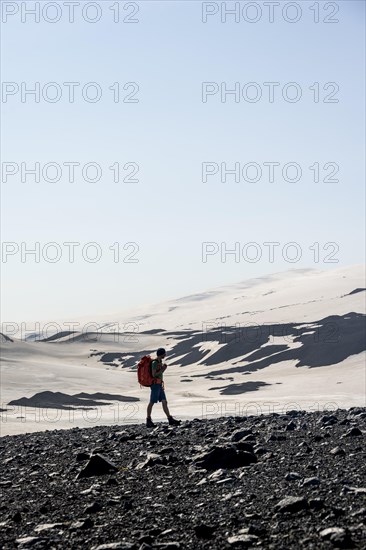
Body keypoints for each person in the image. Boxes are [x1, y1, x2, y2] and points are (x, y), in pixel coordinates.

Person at [146, 347, 181, 428]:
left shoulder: (159, 362)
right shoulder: (155, 363)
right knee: (152, 402)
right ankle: (148, 420)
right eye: (164, 353)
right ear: (161, 354)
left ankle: (170, 419)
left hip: (159, 385)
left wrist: (162, 369)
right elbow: (154, 374)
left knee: (164, 401)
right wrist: (163, 369)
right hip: (155, 385)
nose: (165, 355)